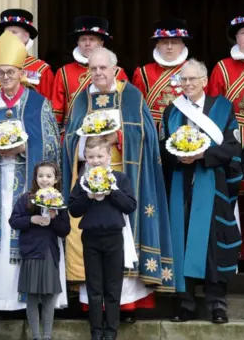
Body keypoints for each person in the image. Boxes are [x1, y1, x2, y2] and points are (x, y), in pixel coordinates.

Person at [62, 48, 174, 323]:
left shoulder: (132, 95)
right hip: (90, 184)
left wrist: (118, 137)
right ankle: (94, 308)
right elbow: (68, 139)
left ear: (114, 69)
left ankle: (126, 307)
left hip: (125, 182)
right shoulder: (81, 99)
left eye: (103, 68)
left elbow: (146, 135)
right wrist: (85, 143)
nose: (98, 73)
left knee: (122, 242)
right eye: (93, 69)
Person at [0, 32, 60, 312]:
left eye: (11, 72)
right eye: (1, 73)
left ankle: (26, 302)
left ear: (22, 73)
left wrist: (22, 150)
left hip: (27, 182)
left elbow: (51, 145)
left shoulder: (38, 103)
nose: (6, 78)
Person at [162, 59, 242, 324]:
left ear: (205, 81)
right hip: (181, 186)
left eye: (192, 79)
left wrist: (202, 154)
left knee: (212, 245)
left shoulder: (223, 108)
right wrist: (178, 157)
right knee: (181, 240)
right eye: (183, 80)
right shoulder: (171, 111)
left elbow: (233, 148)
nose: (187, 84)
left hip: (212, 185)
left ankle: (217, 304)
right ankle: (185, 303)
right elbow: (163, 149)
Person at [68, 136, 137, 340]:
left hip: (114, 238)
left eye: (100, 156)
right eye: (91, 157)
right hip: (91, 239)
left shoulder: (120, 179)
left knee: (113, 288)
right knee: (95, 287)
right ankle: (96, 331)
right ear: (86, 159)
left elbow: (130, 205)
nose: (96, 160)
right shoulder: (83, 181)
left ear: (109, 156)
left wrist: (111, 191)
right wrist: (87, 196)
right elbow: (73, 210)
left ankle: (111, 331)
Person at [9, 161, 70, 340]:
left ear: (56, 179)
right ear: (35, 178)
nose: (44, 180)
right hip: (31, 252)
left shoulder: (59, 201)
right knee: (33, 295)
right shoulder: (26, 199)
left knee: (49, 295)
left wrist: (53, 219)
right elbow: (14, 221)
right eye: (41, 176)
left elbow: (65, 230)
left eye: (49, 176)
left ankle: (47, 335)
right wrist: (32, 220)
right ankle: (36, 335)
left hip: (49, 252)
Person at [208, 14, 244, 270]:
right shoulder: (222, 68)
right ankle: (235, 253)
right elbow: (214, 109)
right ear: (236, 37)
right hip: (234, 137)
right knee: (233, 194)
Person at [51, 16, 128, 129]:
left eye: (92, 39)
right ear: (78, 43)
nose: (87, 43)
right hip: (73, 130)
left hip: (108, 129)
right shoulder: (63, 72)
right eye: (83, 39)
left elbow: (125, 106)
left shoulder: (117, 72)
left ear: (101, 43)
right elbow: (56, 112)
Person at [133, 18, 191, 132]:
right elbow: (136, 107)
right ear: (157, 45)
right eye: (164, 42)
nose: (169, 47)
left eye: (174, 42)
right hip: (151, 130)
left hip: (183, 129)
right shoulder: (143, 72)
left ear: (182, 46)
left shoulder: (193, 70)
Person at [0, 9, 54, 99]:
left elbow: (48, 105)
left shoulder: (42, 69)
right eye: (5, 33)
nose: (9, 36)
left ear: (26, 37)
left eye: (14, 32)